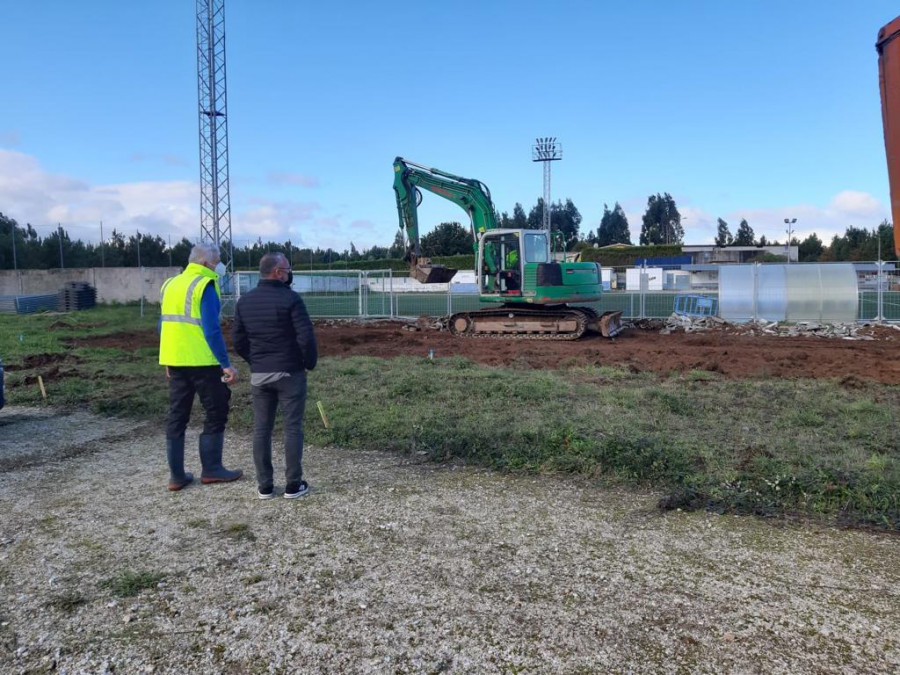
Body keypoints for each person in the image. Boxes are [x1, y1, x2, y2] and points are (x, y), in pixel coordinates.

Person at [232, 252, 318, 500]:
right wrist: (308, 363)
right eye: (288, 269)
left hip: (260, 375)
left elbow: (238, 340)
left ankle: (265, 486)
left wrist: (255, 361)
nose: (290, 273)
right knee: (292, 428)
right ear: (278, 272)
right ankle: (293, 484)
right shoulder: (291, 299)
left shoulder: (244, 302)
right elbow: (306, 337)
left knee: (261, 429)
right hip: (290, 372)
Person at [159, 242, 243, 491]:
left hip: (176, 361)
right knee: (215, 411)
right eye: (217, 261)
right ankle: (212, 469)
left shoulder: (170, 284)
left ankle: (176, 477)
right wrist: (226, 364)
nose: (219, 266)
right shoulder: (205, 284)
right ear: (206, 263)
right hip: (203, 362)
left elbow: (163, 324)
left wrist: (166, 358)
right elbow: (211, 329)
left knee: (177, 416)